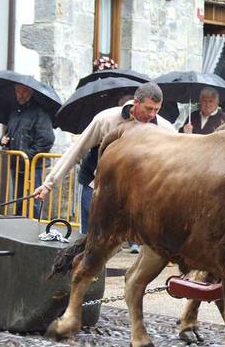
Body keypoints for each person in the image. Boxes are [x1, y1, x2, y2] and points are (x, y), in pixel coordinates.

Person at [33, 82, 175, 234]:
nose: (152, 114)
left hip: (132, 190)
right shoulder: (105, 120)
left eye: (156, 110)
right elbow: (76, 150)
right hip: (94, 185)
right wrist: (49, 184)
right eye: (148, 108)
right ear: (136, 102)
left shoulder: (164, 128)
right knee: (89, 238)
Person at [0, 84, 55, 217]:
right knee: (19, 199)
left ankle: (33, 229)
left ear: (30, 92)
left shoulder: (40, 112)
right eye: (17, 91)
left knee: (33, 200)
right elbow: (9, 133)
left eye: (23, 91)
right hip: (18, 163)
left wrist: (27, 155)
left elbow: (47, 139)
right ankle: (19, 227)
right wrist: (3, 140)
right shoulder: (15, 112)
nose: (20, 95)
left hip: (34, 165)